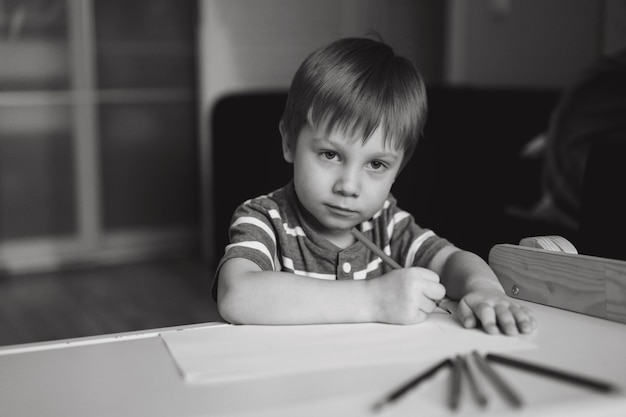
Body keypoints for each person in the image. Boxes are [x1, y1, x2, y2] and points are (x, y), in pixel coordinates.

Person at [213, 37, 535, 336]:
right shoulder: (264, 219)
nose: (349, 186)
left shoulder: (387, 224)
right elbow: (236, 294)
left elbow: (451, 261)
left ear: (399, 170)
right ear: (288, 143)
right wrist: (374, 299)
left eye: (376, 164)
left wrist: (485, 290)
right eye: (330, 154)